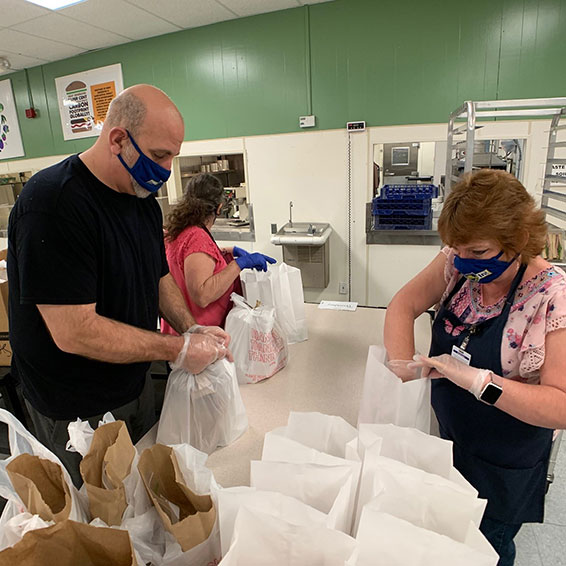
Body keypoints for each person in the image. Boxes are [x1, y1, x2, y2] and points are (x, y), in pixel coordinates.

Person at [7, 85, 231, 487]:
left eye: (173, 157)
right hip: (75, 409)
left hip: (134, 383)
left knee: (141, 497)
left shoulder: (142, 200)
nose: (165, 170)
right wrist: (178, 350)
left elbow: (158, 275)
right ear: (117, 139)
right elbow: (74, 332)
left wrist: (189, 328)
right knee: (98, 517)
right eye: (160, 155)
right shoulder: (53, 204)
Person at [384, 169, 566, 566]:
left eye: (478, 252)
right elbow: (403, 305)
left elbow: (561, 406)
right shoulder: (460, 259)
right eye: (456, 248)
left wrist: (484, 383)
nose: (463, 261)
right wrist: (402, 364)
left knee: (485, 549)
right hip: (448, 441)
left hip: (502, 464)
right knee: (445, 541)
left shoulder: (552, 298)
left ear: (517, 239)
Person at [161, 172, 275, 333]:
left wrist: (230, 251)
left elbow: (191, 259)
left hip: (176, 333)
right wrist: (238, 264)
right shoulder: (197, 237)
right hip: (200, 336)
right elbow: (202, 295)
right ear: (219, 207)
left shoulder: (179, 231)